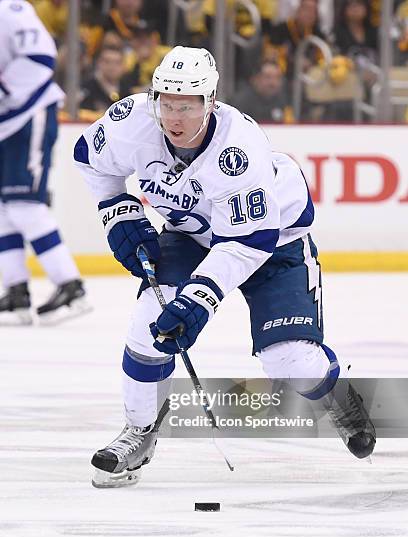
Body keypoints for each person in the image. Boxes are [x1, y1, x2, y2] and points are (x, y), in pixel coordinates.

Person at [74, 46, 376, 488]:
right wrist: (117, 210)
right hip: (191, 235)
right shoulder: (131, 121)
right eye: (166, 102)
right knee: (147, 326)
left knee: (289, 360)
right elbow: (90, 159)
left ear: (210, 102)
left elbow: (246, 242)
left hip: (273, 243)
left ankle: (335, 392)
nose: (174, 117)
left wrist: (200, 298)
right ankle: (138, 431)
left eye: (187, 106)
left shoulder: (240, 149)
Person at [0, 0, 91, 325]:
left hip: (29, 117)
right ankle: (16, 293)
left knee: (25, 205)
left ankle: (71, 287)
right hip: (6, 125)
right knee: (5, 208)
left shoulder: (10, 9)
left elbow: (40, 57)